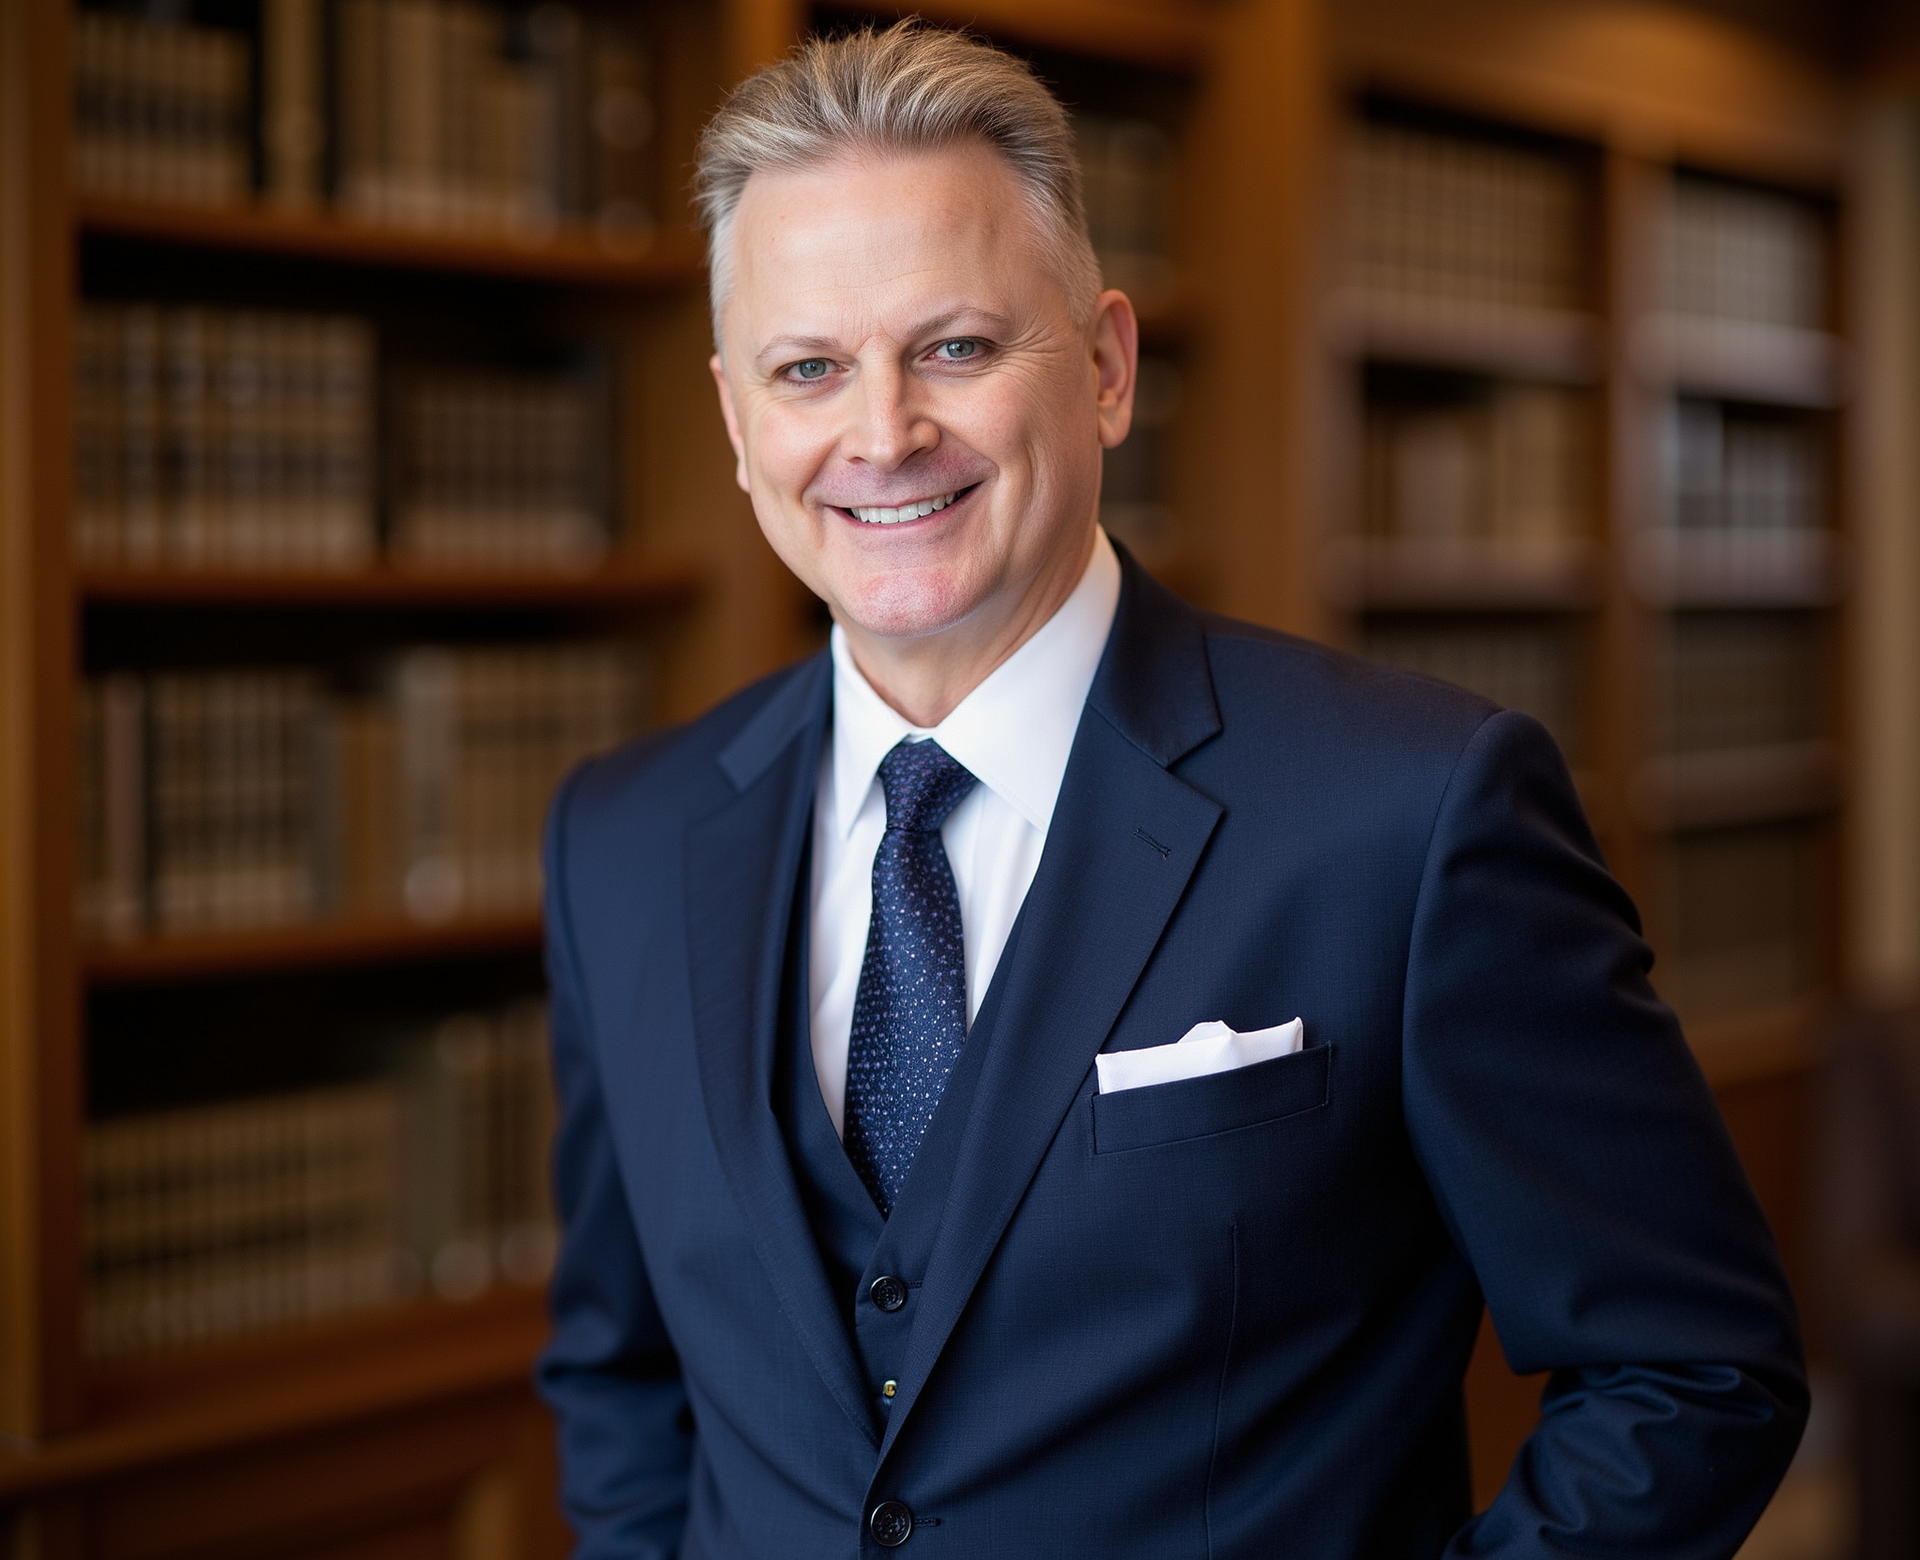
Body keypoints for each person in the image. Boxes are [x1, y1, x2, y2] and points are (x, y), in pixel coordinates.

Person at [536, 22, 1805, 1558]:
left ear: (1110, 369)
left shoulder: (1414, 811)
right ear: (741, 425)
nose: (882, 434)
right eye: (811, 369)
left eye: (955, 347)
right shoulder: (622, 841)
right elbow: (622, 1369)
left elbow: (1690, 1366)